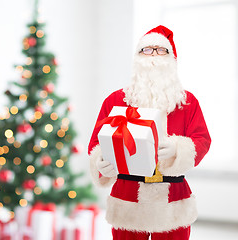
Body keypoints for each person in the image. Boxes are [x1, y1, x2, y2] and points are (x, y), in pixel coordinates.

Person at [88, 25, 211, 240]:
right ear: (137, 57)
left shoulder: (188, 102)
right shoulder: (115, 100)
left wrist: (178, 149)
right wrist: (100, 163)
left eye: (161, 50)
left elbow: (202, 139)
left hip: (172, 200)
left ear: (172, 58)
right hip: (127, 198)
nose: (154, 55)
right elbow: (96, 144)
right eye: (147, 50)